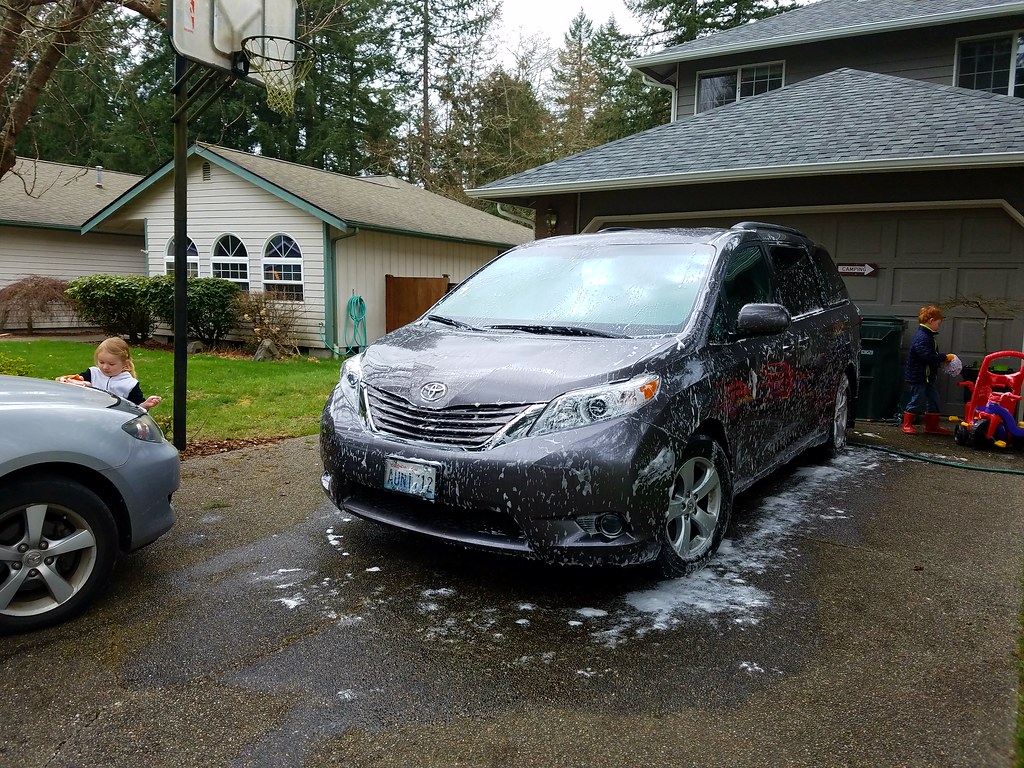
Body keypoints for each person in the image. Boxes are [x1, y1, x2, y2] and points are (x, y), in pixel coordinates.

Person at [60, 337, 161, 410]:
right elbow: (77, 381)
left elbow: (136, 409)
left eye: (111, 364)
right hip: (90, 414)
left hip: (115, 420)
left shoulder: (130, 384)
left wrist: (145, 405)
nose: (105, 367)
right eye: (101, 362)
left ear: (124, 364)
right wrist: (69, 380)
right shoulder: (92, 373)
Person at [902, 305, 956, 435]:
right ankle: (907, 424)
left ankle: (932, 426)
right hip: (918, 376)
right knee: (917, 399)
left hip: (927, 377)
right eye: (938, 323)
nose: (938, 326)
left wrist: (940, 361)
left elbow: (929, 356)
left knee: (934, 399)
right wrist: (944, 357)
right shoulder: (922, 337)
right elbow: (926, 356)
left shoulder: (928, 336)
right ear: (931, 321)